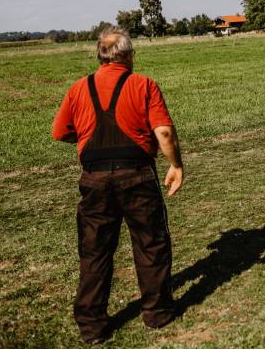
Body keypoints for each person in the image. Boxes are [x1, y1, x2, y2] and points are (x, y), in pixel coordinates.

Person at [52, 27, 184, 344]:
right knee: (150, 244)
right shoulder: (143, 85)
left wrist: (86, 139)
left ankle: (92, 326)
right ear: (128, 55)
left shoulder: (78, 88)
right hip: (137, 174)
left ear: (100, 55)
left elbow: (60, 132)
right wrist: (176, 165)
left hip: (94, 180)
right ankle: (157, 313)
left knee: (94, 251)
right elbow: (163, 133)